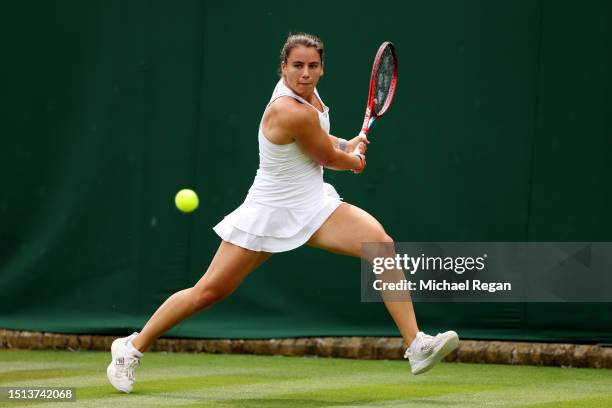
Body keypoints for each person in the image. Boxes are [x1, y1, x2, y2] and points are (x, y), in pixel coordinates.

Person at [107, 32, 458, 393]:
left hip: (314, 205)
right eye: (297, 66)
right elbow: (327, 158)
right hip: (271, 210)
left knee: (381, 246)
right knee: (208, 292)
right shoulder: (288, 110)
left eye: (312, 66)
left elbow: (324, 143)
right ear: (283, 67)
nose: (305, 73)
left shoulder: (312, 97)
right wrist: (352, 160)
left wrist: (345, 144)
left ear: (322, 68)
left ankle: (415, 344)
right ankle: (130, 348)